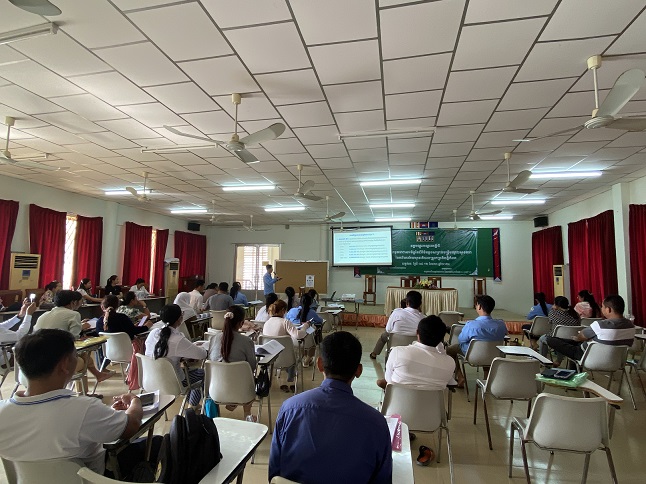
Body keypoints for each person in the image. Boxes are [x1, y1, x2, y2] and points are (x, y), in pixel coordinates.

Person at [0, 329, 145, 475]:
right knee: (158, 443)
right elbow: (131, 425)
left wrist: (106, 415)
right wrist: (135, 400)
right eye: (76, 355)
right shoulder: (84, 408)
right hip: (94, 479)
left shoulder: (2, 411)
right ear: (64, 365)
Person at [269, 331, 392, 484]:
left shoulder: (289, 409)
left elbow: (274, 473)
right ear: (359, 371)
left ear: (320, 364)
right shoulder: (377, 423)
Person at [34, 290, 113, 395]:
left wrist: (79, 325)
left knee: (82, 354)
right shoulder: (73, 314)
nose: (81, 304)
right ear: (73, 302)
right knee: (81, 357)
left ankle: (89, 385)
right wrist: (82, 328)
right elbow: (73, 339)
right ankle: (83, 391)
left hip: (37, 359)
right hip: (57, 363)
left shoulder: (44, 315)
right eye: (81, 301)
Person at [145, 304, 207, 410]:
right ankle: (193, 406)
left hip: (151, 379)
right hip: (173, 382)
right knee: (204, 373)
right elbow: (202, 355)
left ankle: (192, 404)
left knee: (187, 370)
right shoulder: (178, 339)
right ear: (180, 319)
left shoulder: (153, 333)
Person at [546, 295, 635, 366]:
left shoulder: (600, 325)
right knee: (573, 343)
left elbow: (581, 337)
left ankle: (572, 373)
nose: (601, 309)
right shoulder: (631, 326)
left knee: (550, 339)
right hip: (615, 361)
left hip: (588, 356)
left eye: (602, 307)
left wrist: (584, 336)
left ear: (609, 309)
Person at [376, 315, 455, 390]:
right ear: (442, 339)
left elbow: (389, 381)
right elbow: (450, 383)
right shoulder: (450, 363)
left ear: (417, 332)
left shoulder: (397, 352)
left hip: (398, 402)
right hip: (432, 404)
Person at [446, 295, 507, 387]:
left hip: (473, 355)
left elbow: (461, 339)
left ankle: (460, 376)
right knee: (489, 348)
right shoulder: (501, 324)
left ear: (479, 307)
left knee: (449, 350)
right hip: (494, 355)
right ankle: (486, 380)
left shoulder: (472, 325)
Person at [208, 306, 257, 421]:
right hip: (242, 391)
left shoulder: (214, 339)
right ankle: (247, 413)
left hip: (216, 390)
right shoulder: (246, 341)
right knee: (247, 377)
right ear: (241, 323)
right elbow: (252, 367)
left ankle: (232, 403)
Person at [262, 300, 311, 390]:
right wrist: (305, 326)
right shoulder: (285, 322)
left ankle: (285, 381)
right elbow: (298, 335)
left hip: (270, 358)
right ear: (283, 310)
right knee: (297, 353)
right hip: (287, 359)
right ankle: (291, 380)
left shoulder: (267, 323)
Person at [370, 290, 424, 359]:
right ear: (420, 304)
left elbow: (388, 329)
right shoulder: (423, 318)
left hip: (395, 346)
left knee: (384, 335)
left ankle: (374, 354)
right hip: (414, 348)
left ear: (407, 303)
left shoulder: (397, 312)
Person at [0, 298, 37, 365]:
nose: (1, 300)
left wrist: (20, 314)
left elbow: (3, 326)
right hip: (4, 360)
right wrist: (28, 315)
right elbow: (20, 335)